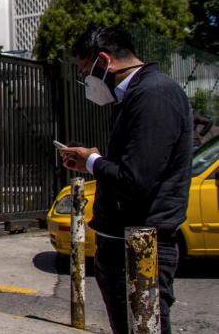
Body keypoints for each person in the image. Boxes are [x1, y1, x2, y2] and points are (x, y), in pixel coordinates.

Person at [58, 26, 192, 334]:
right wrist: (91, 161)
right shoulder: (134, 97)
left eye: (85, 71)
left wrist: (92, 161)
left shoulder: (154, 94)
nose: (86, 81)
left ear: (103, 61)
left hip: (140, 247)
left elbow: (136, 179)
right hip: (121, 244)